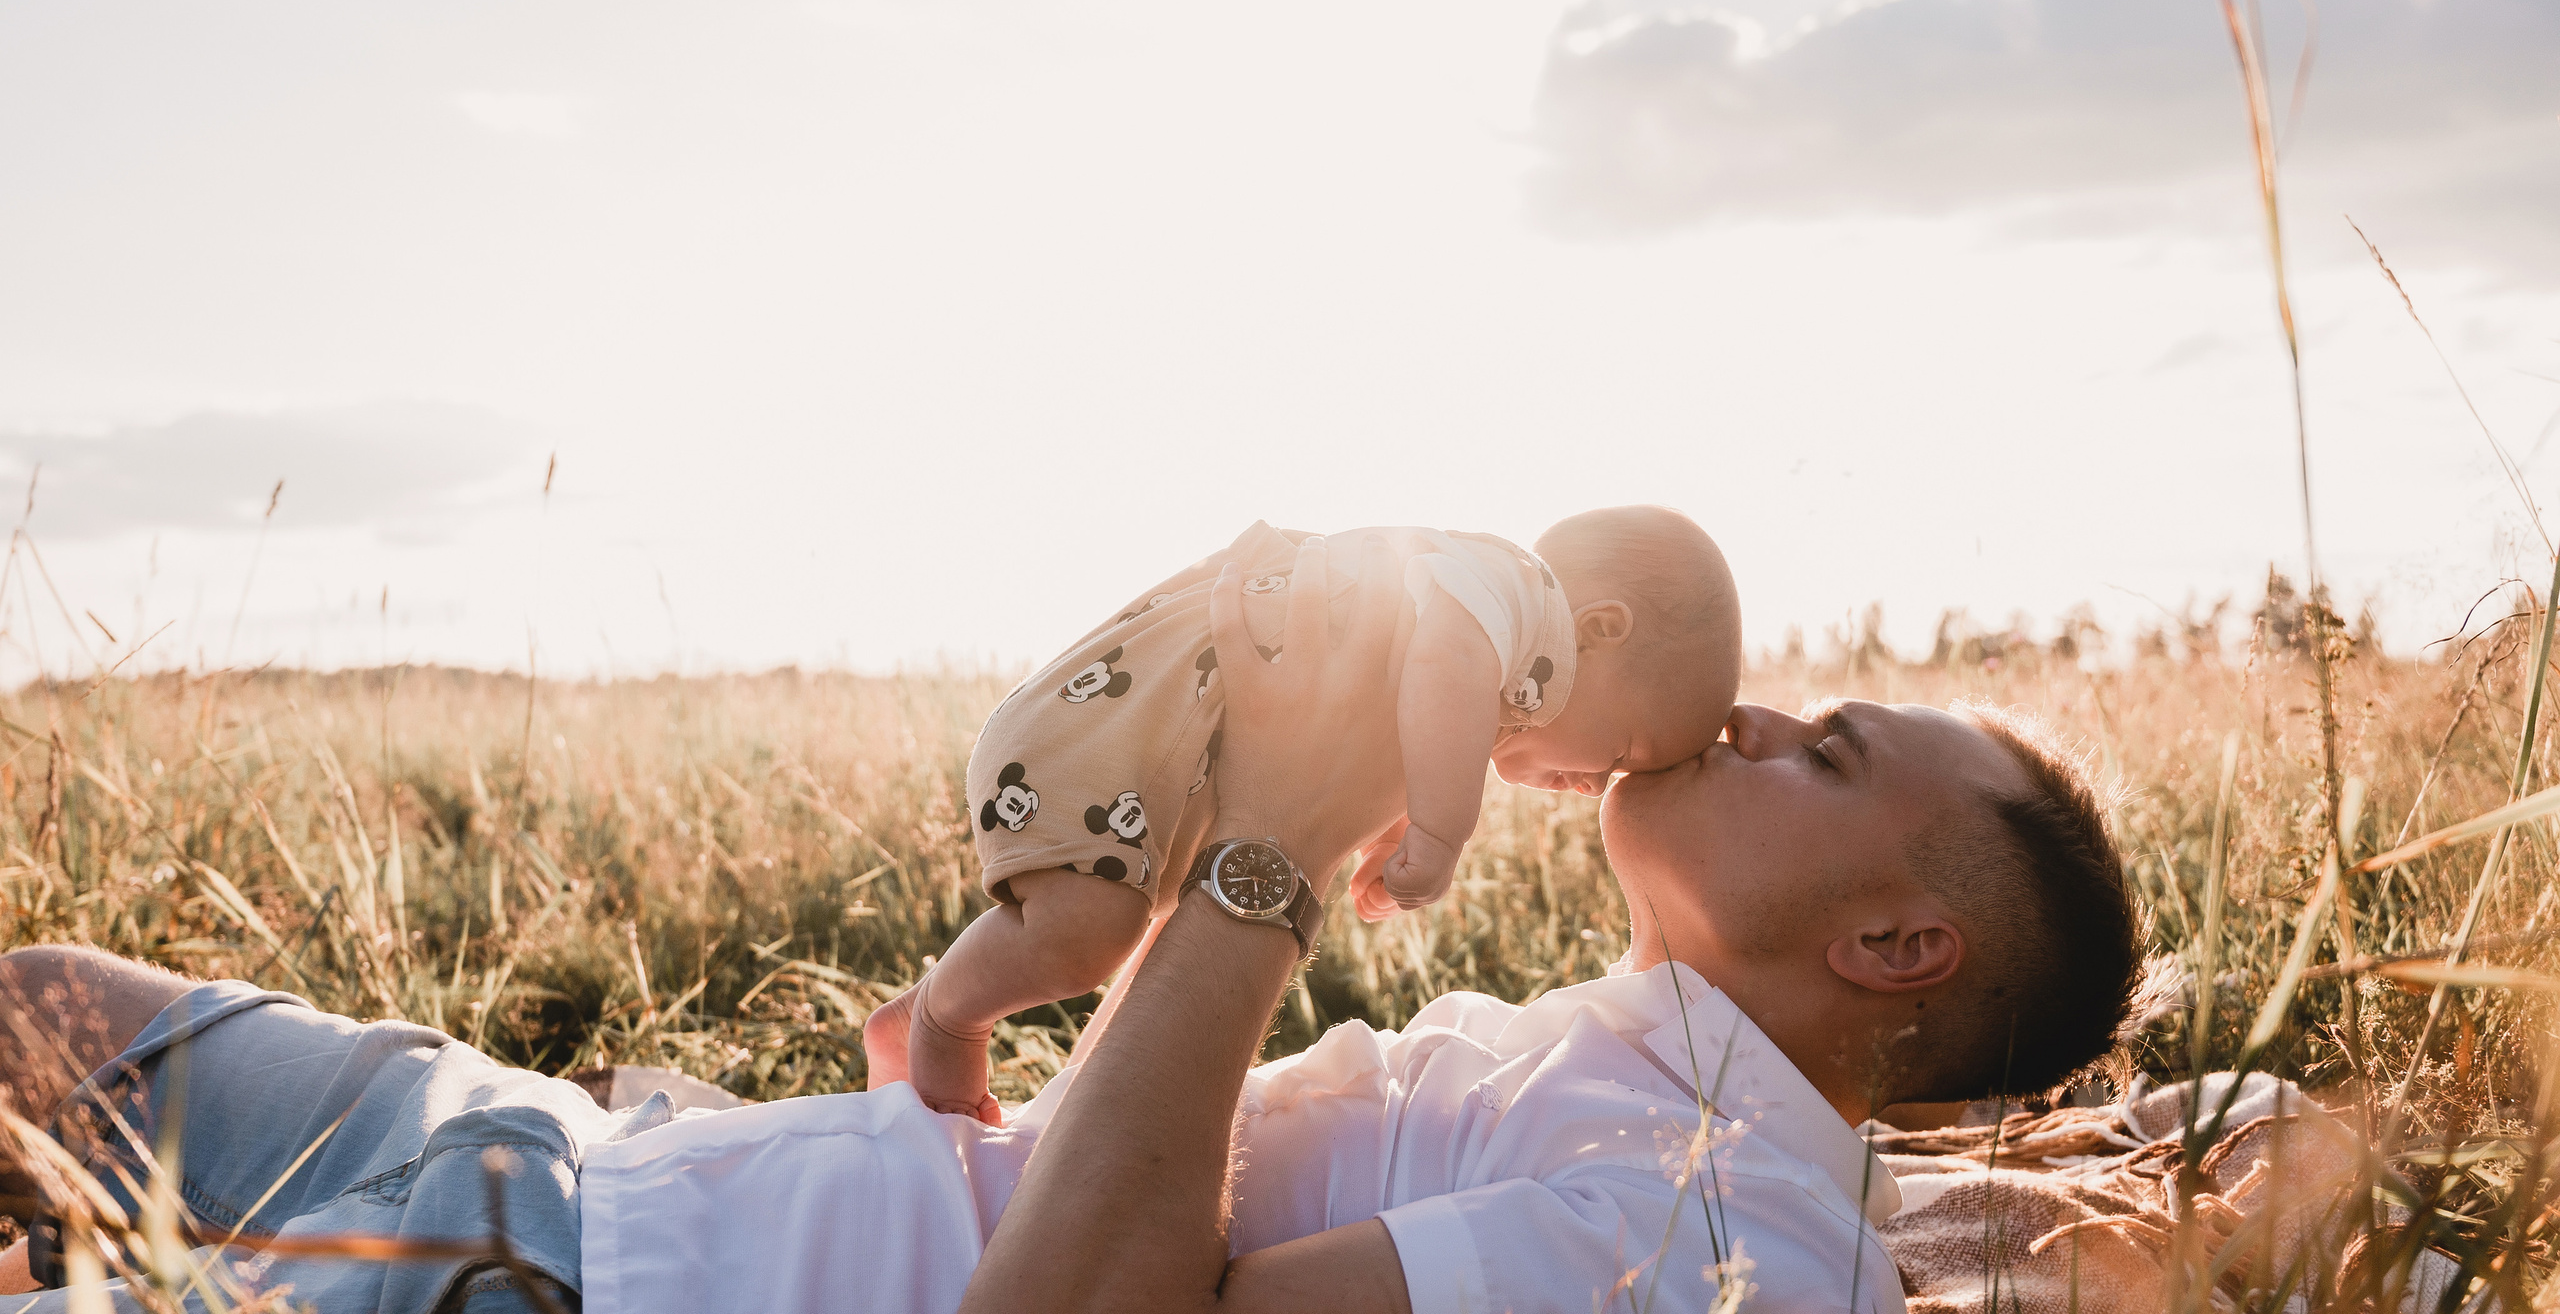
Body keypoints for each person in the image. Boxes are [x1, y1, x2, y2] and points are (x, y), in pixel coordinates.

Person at [0, 537, 2141, 1314]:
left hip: (534, 1282)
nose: (1754, 710)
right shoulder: (1643, 1082)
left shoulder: (1725, 1237)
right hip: (585, 1163)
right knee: (42, 1016)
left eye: (1829, 758)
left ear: (1894, 952)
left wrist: (1265, 865)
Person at [868, 509, 1744, 1117]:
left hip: (1167, 756)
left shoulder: (1502, 644)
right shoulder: (1521, 594)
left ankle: (971, 1036)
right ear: (1601, 627)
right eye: (1622, 753)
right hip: (1114, 727)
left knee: (1156, 913)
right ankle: (943, 1016)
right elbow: (1444, 663)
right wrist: (1442, 826)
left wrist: (1393, 815)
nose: (1596, 787)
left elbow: (1412, 710)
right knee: (1087, 935)